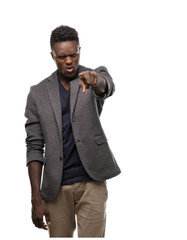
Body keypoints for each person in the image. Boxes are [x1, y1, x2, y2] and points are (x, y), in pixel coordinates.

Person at [25, 25, 121, 238]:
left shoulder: (94, 75)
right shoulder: (37, 93)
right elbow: (34, 146)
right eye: (62, 57)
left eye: (73, 54)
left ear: (79, 50)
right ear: (53, 56)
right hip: (56, 186)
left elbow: (107, 87)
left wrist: (97, 82)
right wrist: (35, 198)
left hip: (92, 182)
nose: (69, 61)